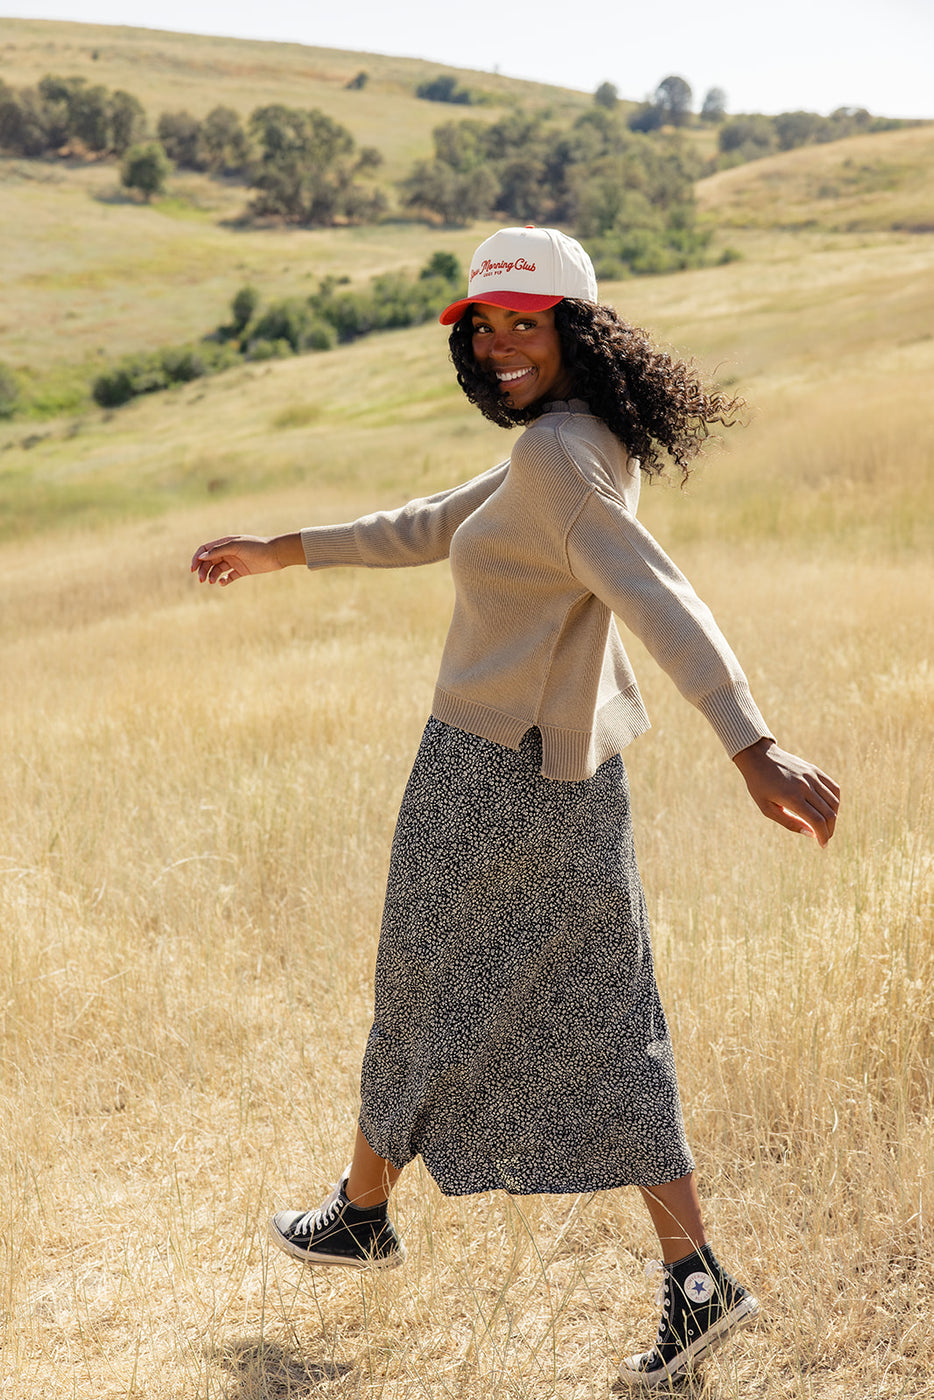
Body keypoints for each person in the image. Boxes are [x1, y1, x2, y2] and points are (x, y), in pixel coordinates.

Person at [191, 226, 840, 1389]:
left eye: (523, 324)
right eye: (483, 327)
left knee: (419, 985)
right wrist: (283, 549)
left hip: (483, 772)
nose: (496, 346)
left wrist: (752, 740)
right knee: (605, 1010)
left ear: (575, 330)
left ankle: (360, 1211)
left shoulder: (559, 459)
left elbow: (657, 594)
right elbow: (437, 519)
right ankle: (696, 1279)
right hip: (575, 776)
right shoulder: (575, 442)